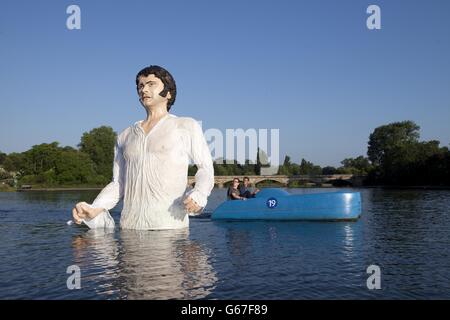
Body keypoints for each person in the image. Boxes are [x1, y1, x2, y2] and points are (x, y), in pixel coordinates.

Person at [71, 65, 214, 230]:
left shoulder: (185, 125)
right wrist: (94, 208)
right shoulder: (124, 136)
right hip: (129, 229)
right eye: (140, 85)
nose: (144, 89)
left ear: (168, 93)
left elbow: (205, 168)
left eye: (151, 84)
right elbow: (119, 183)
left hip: (169, 229)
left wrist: (200, 193)